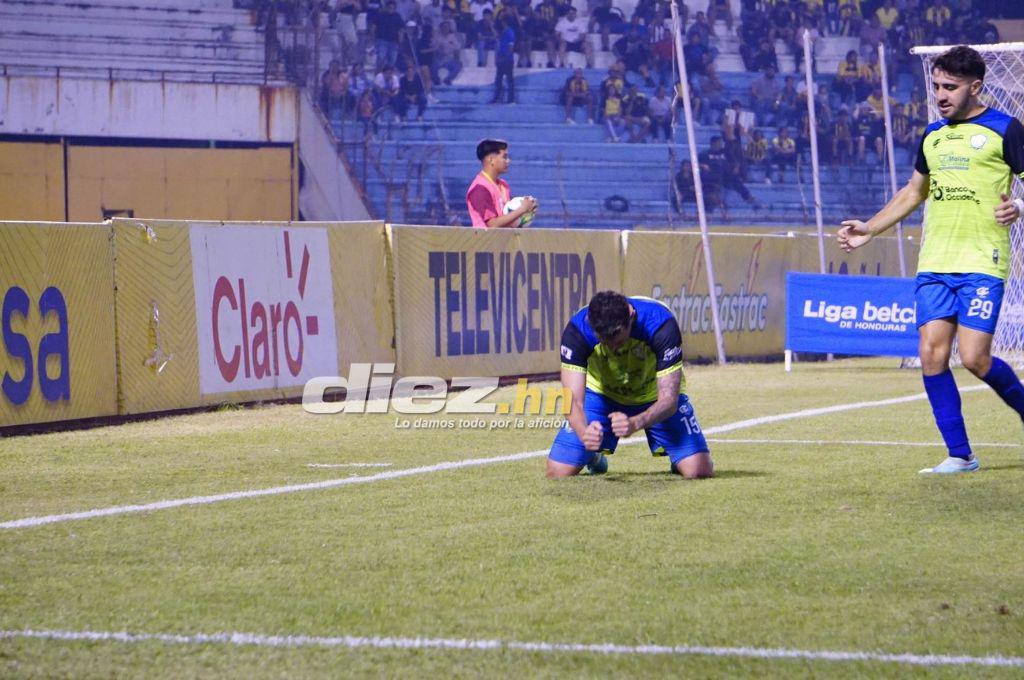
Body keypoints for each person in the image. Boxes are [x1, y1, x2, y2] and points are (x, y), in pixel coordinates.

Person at [837, 46, 1024, 474]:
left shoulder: (1006, 129)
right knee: (931, 355)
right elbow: (912, 192)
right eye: (936, 85)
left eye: (950, 87)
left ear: (975, 87)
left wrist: (1018, 206)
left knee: (976, 358)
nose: (940, 94)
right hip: (935, 263)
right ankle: (960, 454)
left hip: (982, 261)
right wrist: (870, 228)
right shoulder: (933, 135)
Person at [546, 291, 714, 479]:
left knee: (699, 471)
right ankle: (592, 456)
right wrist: (584, 433)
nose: (612, 348)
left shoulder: (661, 325)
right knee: (557, 472)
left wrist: (635, 423)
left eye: (617, 341)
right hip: (602, 397)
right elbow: (573, 401)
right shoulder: (577, 330)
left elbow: (669, 400)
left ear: (631, 316)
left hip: (653, 397)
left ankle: (680, 458)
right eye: (605, 342)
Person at [466, 139, 537, 228]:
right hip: (486, 241)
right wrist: (522, 209)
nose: (508, 161)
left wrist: (528, 210)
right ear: (491, 159)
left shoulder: (503, 185)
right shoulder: (479, 188)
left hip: (504, 241)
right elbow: (492, 225)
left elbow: (507, 215)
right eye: (504, 157)